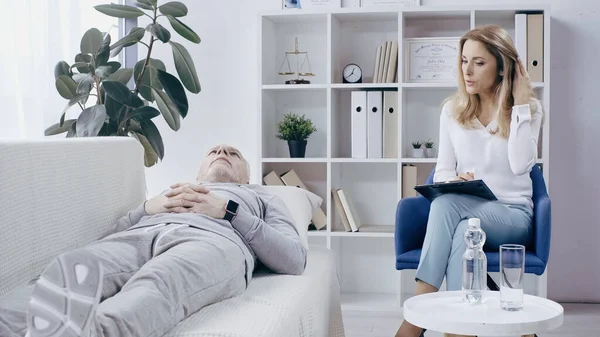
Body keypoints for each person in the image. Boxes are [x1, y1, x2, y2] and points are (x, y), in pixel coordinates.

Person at [0, 144, 307, 337]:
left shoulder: (259, 195)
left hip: (213, 240)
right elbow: (113, 234)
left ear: (245, 175)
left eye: (233, 153)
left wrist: (227, 211)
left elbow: (293, 258)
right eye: (213, 151)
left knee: (160, 282)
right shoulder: (171, 191)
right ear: (199, 172)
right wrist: (148, 207)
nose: (222, 153)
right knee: (79, 268)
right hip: (141, 234)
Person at [394, 25, 543, 337]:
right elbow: (443, 171)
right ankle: (459, 332)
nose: (467, 71)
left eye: (479, 62)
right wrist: (457, 180)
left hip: (514, 215)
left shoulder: (528, 110)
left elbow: (520, 165)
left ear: (503, 67)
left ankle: (418, 313)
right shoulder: (453, 110)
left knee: (450, 204)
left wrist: (520, 104)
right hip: (471, 214)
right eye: (464, 61)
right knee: (464, 232)